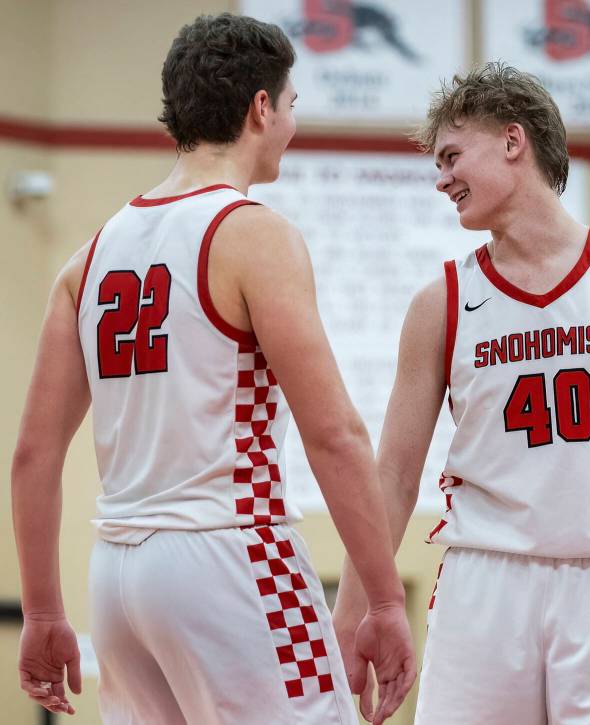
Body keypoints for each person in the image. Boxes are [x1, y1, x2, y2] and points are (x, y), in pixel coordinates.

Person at [10, 13, 414, 724]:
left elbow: (33, 456)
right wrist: (383, 599)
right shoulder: (252, 234)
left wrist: (43, 611)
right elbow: (335, 435)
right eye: (291, 105)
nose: (292, 123)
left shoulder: (88, 258)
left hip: (118, 577)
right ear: (261, 107)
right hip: (229, 555)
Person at [333, 62, 590, 724]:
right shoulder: (441, 301)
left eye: (452, 156)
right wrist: (351, 613)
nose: (440, 178)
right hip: (487, 579)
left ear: (512, 140)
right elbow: (391, 476)